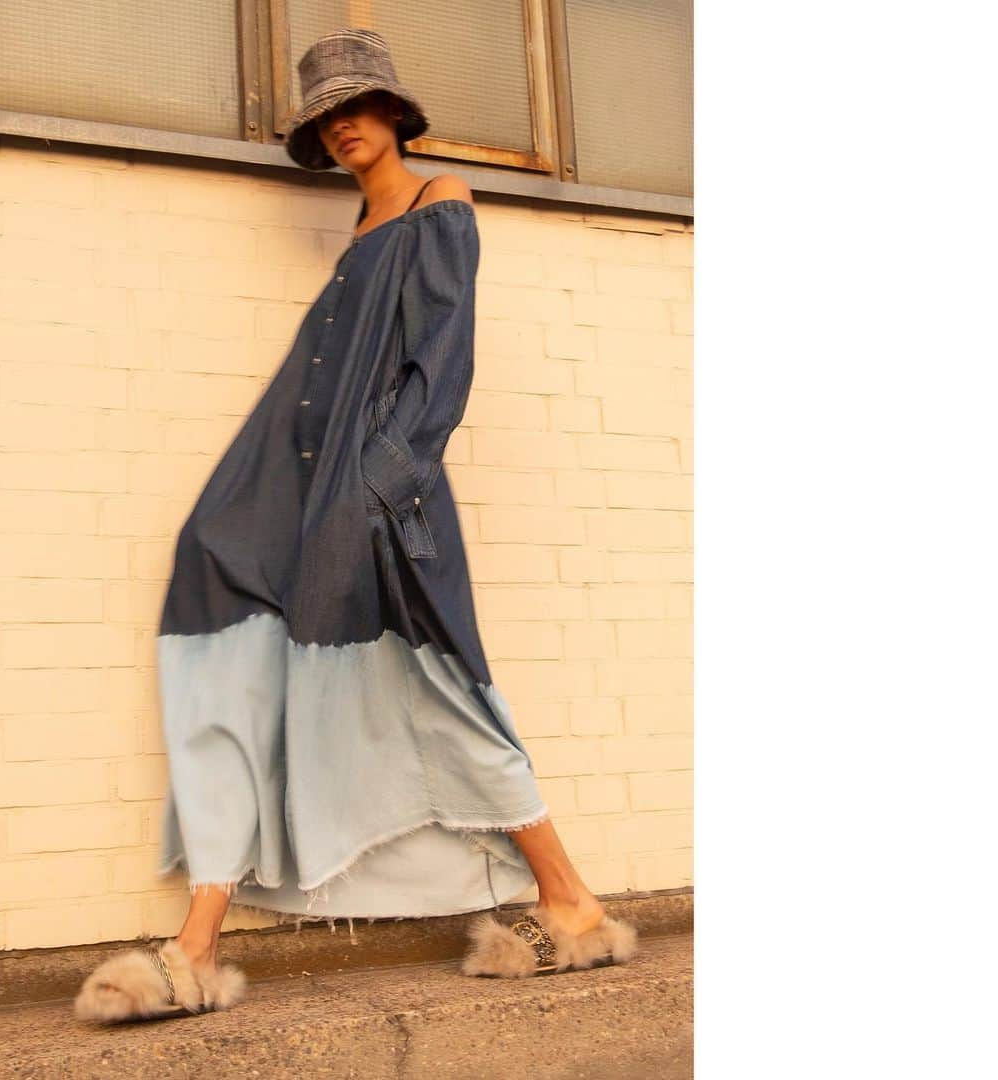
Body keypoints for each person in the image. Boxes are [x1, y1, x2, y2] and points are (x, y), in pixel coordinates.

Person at [74, 28, 635, 1025]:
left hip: (371, 490)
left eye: (356, 105)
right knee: (228, 632)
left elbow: (441, 366)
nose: (342, 125)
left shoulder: (439, 203)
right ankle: (197, 946)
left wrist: (382, 485)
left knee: (438, 685)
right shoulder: (359, 239)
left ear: (395, 111)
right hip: (296, 486)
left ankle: (570, 897)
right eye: (326, 115)